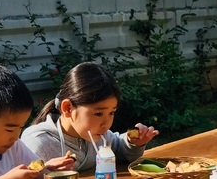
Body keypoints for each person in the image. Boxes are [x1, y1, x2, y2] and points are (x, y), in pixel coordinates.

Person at [21, 62, 158, 171]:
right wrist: (44, 173)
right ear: (68, 108)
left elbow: (119, 147)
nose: (106, 124)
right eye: (98, 113)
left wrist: (133, 141)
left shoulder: (99, 136)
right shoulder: (38, 142)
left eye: (111, 113)